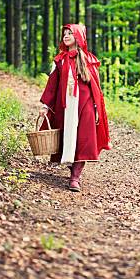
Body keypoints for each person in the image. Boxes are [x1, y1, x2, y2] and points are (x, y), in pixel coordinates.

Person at [38, 24, 111, 192]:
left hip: (84, 105)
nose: (66, 36)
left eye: (70, 33)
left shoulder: (88, 59)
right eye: (64, 33)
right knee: (66, 136)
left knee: (84, 139)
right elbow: (52, 85)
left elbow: (96, 87)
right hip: (65, 106)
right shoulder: (60, 60)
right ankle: (71, 165)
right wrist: (46, 105)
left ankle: (75, 178)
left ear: (78, 36)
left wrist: (97, 108)